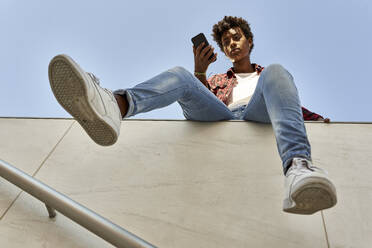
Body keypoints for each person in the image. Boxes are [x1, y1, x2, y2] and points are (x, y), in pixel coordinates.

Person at [48, 16, 337, 215]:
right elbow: (203, 101)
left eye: (237, 38)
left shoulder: (266, 77)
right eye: (226, 42)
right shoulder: (220, 80)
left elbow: (287, 105)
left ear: (249, 41)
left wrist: (320, 121)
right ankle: (115, 105)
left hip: (256, 114)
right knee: (180, 75)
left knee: (277, 70)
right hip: (222, 114)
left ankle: (298, 167)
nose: (232, 44)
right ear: (223, 50)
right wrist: (200, 70)